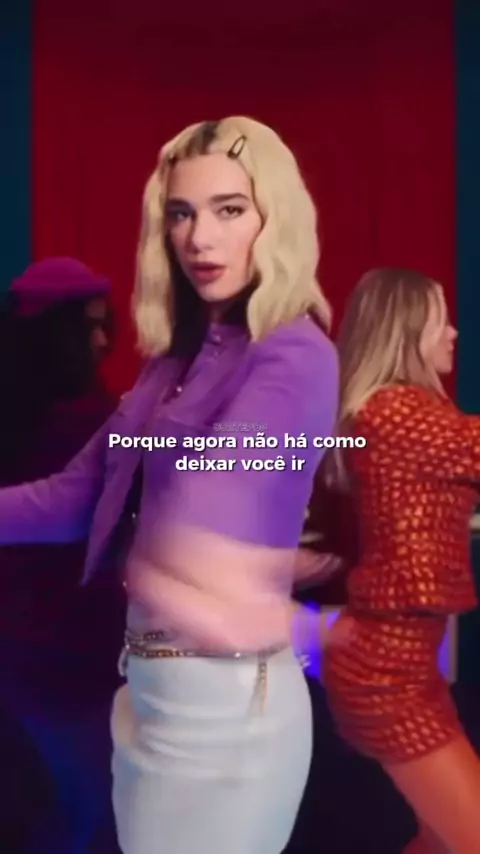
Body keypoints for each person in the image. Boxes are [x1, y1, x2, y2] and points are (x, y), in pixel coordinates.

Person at [0, 118, 343, 854]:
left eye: (229, 210)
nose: (199, 238)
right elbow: (73, 495)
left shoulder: (293, 353)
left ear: (274, 219)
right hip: (151, 689)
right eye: (182, 214)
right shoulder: (175, 363)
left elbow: (209, 512)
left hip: (227, 707)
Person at [323, 267, 480, 853]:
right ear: (407, 329)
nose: (454, 333)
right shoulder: (395, 412)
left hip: (405, 667)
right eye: (442, 320)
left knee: (441, 841)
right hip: (387, 676)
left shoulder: (400, 412)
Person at [0, 258, 124, 853]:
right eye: (89, 327)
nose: (102, 341)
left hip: (26, 653)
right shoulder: (87, 420)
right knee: (93, 811)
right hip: (66, 654)